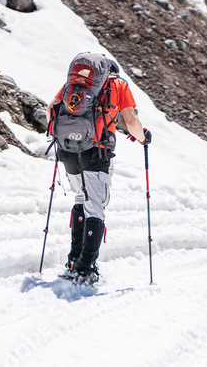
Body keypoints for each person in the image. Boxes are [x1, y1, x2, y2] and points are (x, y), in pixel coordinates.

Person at [46, 54, 151, 285]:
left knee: (81, 198)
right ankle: (85, 269)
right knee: (95, 206)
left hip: (68, 150)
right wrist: (143, 139)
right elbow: (131, 121)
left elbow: (51, 108)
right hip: (97, 151)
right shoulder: (117, 85)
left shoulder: (73, 85)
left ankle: (73, 262)